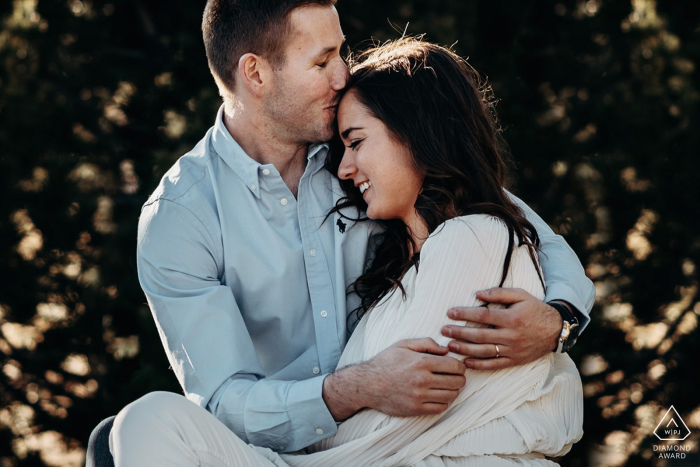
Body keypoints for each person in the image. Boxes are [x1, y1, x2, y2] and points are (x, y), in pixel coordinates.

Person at [88, 1, 594, 465]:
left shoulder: (366, 146)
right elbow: (225, 401)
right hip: (278, 457)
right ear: (256, 73)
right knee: (145, 423)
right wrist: (355, 389)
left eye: (341, 53)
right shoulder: (181, 216)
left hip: (404, 437)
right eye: (321, 61)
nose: (342, 75)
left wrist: (560, 321)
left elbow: (517, 224)